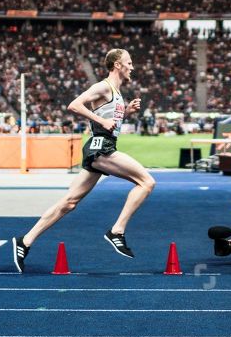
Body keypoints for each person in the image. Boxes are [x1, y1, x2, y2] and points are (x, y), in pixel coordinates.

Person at [10, 48, 154, 271]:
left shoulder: (115, 91)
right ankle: (117, 231)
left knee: (69, 202)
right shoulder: (103, 86)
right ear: (117, 65)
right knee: (147, 182)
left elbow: (109, 119)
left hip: (101, 147)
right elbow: (75, 105)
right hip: (101, 147)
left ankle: (25, 241)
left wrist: (126, 111)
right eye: (129, 62)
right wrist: (101, 121)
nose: (132, 67)